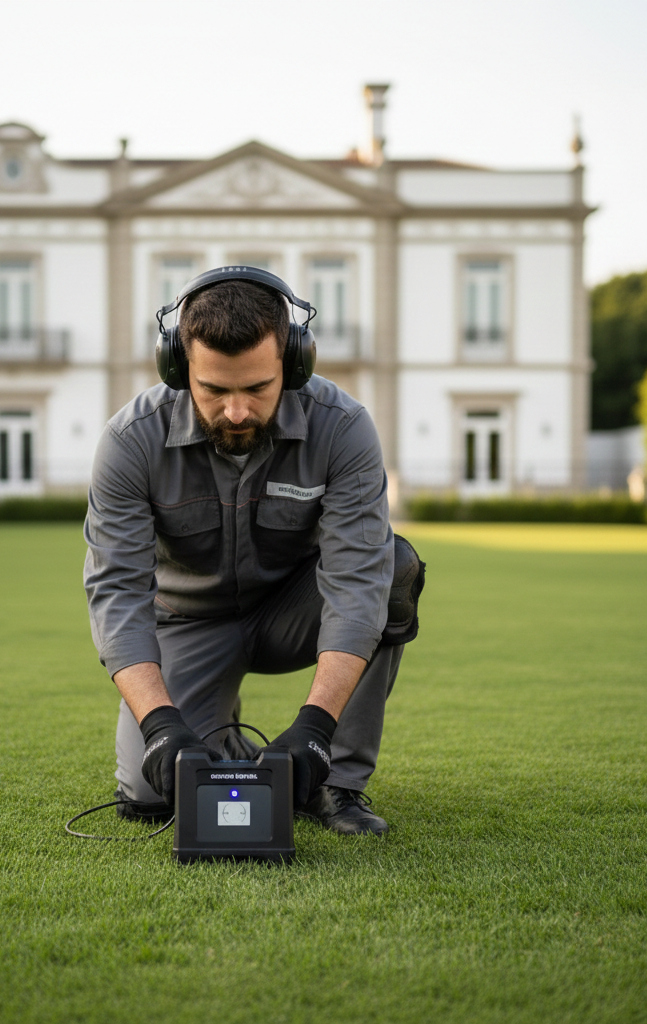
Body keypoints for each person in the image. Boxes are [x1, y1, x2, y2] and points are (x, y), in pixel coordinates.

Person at [83, 267, 423, 835]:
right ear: (178, 367)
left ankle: (336, 780)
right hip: (187, 621)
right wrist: (162, 724)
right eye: (214, 390)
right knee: (148, 795)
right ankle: (221, 730)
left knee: (395, 570)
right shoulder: (129, 441)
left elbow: (358, 581)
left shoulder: (344, 428)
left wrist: (315, 726)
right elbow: (116, 593)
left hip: (295, 609)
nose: (236, 412)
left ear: (292, 365)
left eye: (257, 388)